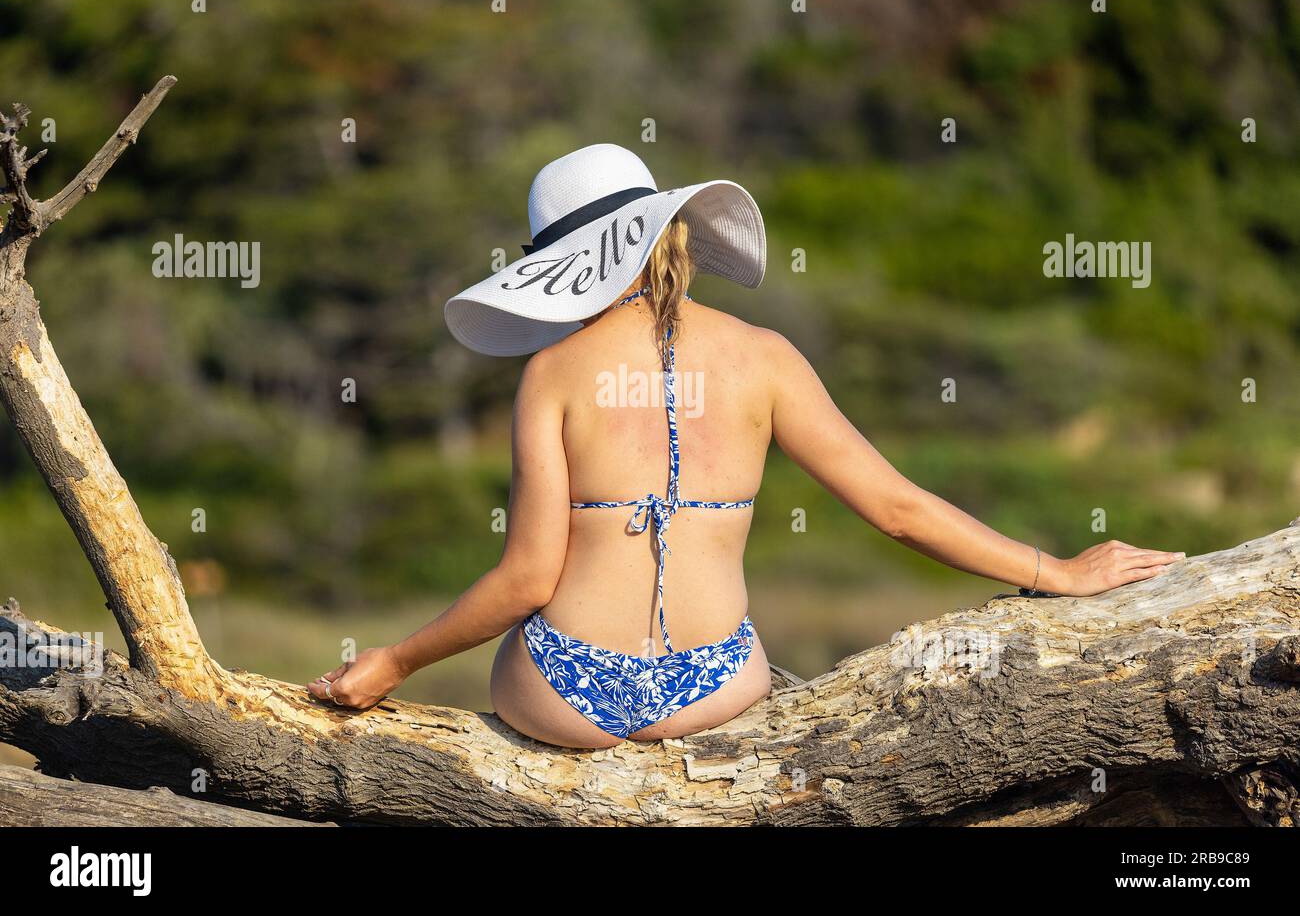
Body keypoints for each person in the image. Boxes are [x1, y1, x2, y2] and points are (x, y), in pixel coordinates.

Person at [307, 143, 1183, 748]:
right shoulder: (764, 360)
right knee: (754, 651)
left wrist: (397, 659)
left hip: (564, 695)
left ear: (557, 270)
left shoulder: (553, 374)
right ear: (672, 234)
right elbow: (898, 510)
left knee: (531, 642)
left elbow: (529, 580)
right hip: (716, 688)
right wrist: (1058, 572)